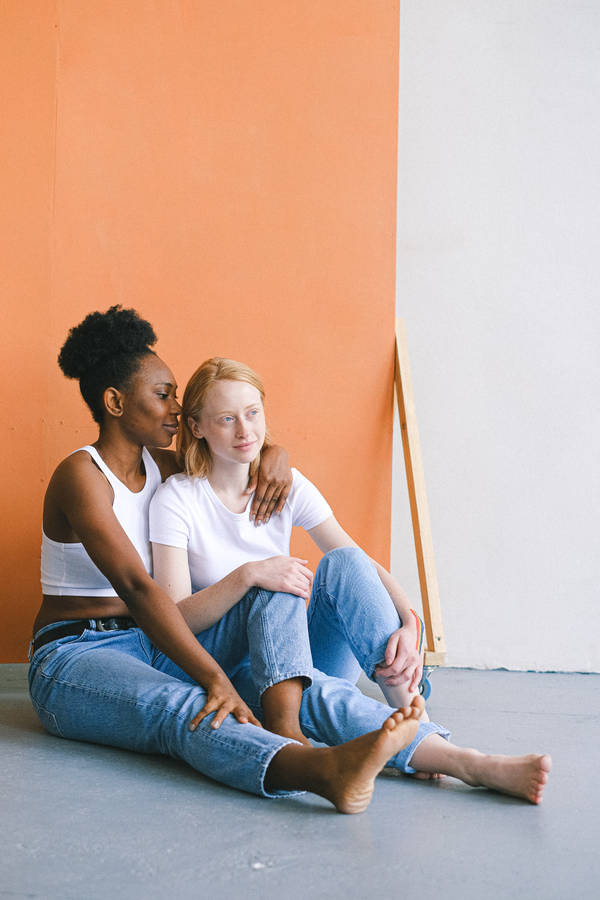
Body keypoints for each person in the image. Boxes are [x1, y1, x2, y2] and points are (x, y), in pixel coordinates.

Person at [29, 307, 551, 809]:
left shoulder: (162, 465)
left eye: (175, 400)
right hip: (78, 653)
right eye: (162, 395)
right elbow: (140, 590)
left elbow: (226, 447)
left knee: (308, 676)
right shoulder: (82, 475)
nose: (174, 409)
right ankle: (319, 769)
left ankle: (467, 761)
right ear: (116, 403)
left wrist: (274, 453)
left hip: (157, 642)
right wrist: (215, 677)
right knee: (189, 710)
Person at [149, 354, 552, 803]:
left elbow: (356, 559)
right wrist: (249, 575)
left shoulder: (286, 485)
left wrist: (408, 619)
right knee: (314, 673)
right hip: (229, 665)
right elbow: (175, 619)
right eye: (226, 419)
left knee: (341, 562)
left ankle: (409, 705)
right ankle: (468, 761)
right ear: (198, 426)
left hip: (291, 653)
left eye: (253, 413)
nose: (245, 431)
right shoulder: (178, 499)